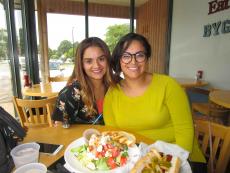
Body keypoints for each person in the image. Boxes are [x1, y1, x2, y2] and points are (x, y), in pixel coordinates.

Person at [103, 33, 206, 170]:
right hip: (135, 160)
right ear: (119, 60)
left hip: (179, 156)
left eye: (139, 55)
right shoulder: (112, 93)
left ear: (147, 58)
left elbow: (185, 131)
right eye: (126, 56)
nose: (133, 62)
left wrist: (167, 165)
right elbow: (114, 135)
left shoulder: (168, 85)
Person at [52, 37, 115, 127]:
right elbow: (59, 129)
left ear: (107, 60)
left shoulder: (116, 85)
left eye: (101, 59)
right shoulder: (69, 93)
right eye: (89, 61)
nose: (96, 65)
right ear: (81, 64)